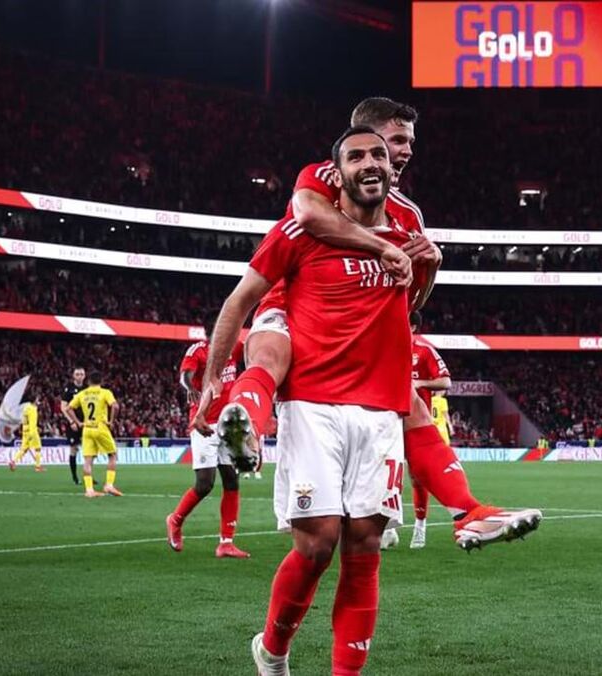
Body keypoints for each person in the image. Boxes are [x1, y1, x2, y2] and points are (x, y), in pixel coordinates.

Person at [219, 96, 541, 551]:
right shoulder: (323, 176)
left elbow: (406, 302)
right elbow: (307, 213)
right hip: (292, 301)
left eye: (407, 144)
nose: (404, 152)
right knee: (271, 354)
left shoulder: (407, 215)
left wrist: (428, 269)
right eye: (397, 140)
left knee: (408, 405)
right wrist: (382, 246)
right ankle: (245, 429)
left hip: (352, 326)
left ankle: (467, 511)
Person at [195, 128, 410, 676]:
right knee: (318, 545)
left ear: (392, 168)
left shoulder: (407, 229)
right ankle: (272, 652)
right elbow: (240, 299)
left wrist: (425, 264)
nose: (371, 162)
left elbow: (408, 305)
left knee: (366, 545)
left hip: (376, 405)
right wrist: (212, 376)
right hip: (314, 398)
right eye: (356, 155)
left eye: (380, 153)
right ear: (336, 171)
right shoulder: (301, 225)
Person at [165, 324, 252, 558]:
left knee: (232, 481)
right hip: (204, 424)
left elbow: (254, 348)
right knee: (205, 484)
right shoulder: (199, 351)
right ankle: (175, 520)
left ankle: (226, 542)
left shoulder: (235, 348)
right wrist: (189, 387)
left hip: (228, 424)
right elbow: (185, 375)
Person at [383, 310, 451, 550]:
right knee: (384, 474)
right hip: (387, 421)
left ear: (412, 327)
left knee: (416, 476)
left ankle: (420, 526)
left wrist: (420, 383)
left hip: (415, 423)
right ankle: (388, 528)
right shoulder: (386, 348)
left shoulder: (424, 351)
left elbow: (445, 381)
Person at [64, 372, 122, 498]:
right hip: (100, 427)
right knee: (112, 455)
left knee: (88, 460)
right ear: (101, 381)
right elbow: (115, 406)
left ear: (88, 382)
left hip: (87, 428)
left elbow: (68, 408)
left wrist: (77, 422)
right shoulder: (105, 392)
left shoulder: (82, 393)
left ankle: (89, 490)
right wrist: (111, 421)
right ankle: (109, 485)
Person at [59, 367, 86, 484]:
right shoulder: (68, 389)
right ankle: (75, 477)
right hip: (73, 424)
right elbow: (63, 407)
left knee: (89, 450)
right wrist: (71, 421)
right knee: (73, 449)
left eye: (81, 374)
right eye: (77, 374)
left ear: (84, 376)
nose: (80, 376)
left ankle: (88, 476)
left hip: (85, 423)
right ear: (73, 376)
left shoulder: (87, 389)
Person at [8, 391, 44, 472]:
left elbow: (24, 420)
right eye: (37, 399)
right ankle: (38, 467)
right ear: (34, 400)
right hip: (31, 431)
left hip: (25, 430)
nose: (38, 400)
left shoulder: (26, 407)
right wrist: (32, 433)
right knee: (38, 448)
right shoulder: (33, 409)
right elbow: (32, 422)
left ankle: (13, 461)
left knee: (23, 449)